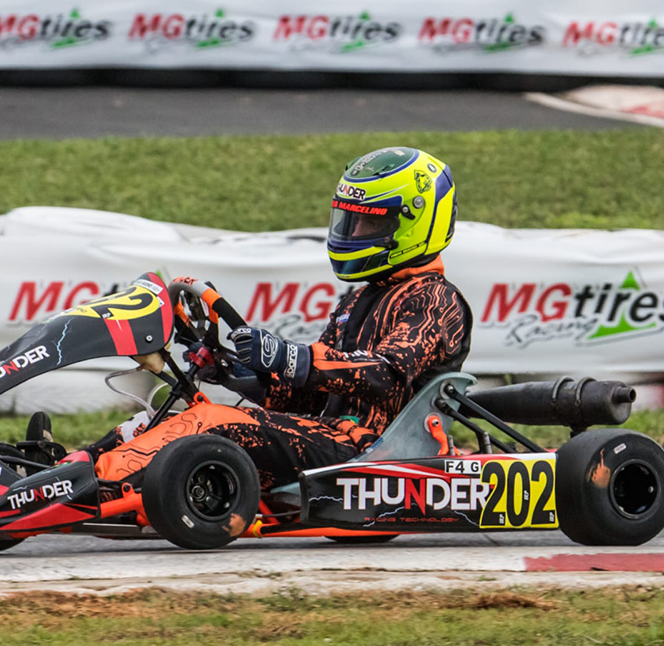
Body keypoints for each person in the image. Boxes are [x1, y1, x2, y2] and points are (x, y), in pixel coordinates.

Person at [83, 146, 472, 492]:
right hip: (328, 439)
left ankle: (97, 490)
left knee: (214, 424)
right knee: (163, 420)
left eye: (370, 224)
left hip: (374, 453)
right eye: (350, 222)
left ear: (413, 225)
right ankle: (65, 471)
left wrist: (292, 358)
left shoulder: (436, 299)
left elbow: (384, 375)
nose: (355, 232)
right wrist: (234, 371)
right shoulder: (358, 301)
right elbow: (308, 398)